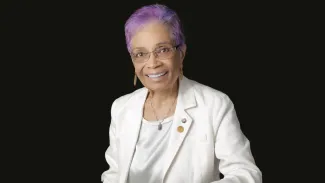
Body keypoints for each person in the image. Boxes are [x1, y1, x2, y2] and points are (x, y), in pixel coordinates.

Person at [101, 3, 262, 183]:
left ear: (181, 53)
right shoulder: (121, 108)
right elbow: (114, 175)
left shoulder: (215, 105)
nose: (152, 63)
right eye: (141, 54)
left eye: (162, 50)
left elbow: (246, 174)